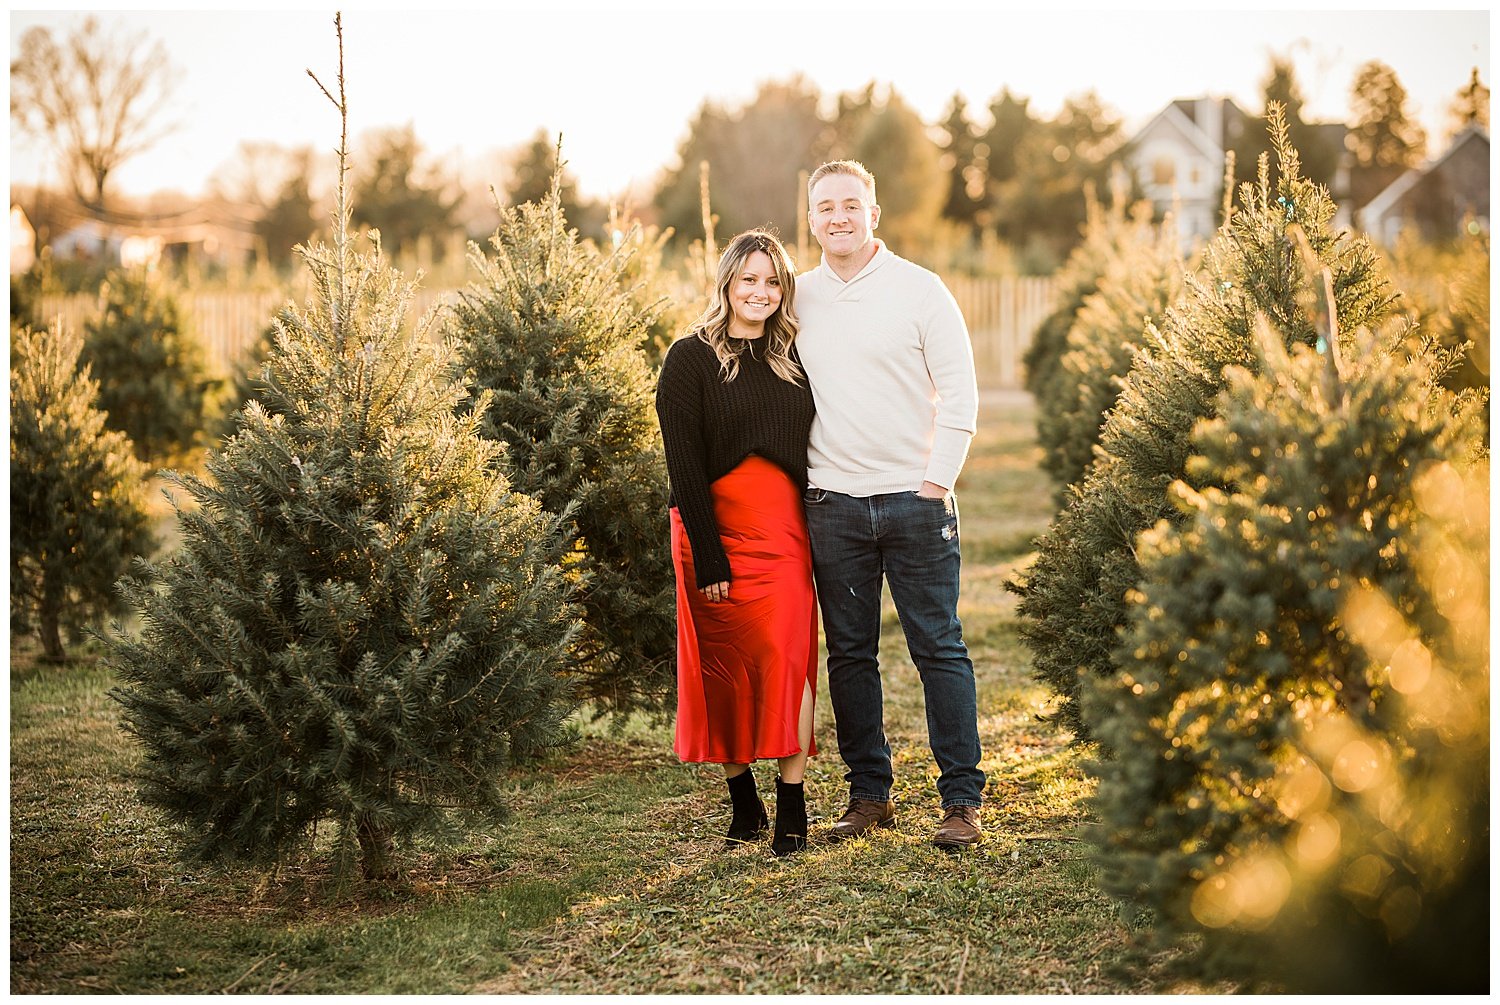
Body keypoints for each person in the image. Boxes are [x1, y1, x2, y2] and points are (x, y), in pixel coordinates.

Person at [794, 160, 986, 850]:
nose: (838, 217)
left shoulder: (921, 291)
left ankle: (961, 798)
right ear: (811, 218)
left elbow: (960, 393)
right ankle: (869, 793)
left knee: (939, 647)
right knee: (848, 654)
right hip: (833, 506)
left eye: (850, 204)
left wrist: (935, 481)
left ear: (873, 211)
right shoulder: (797, 297)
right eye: (824, 207)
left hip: (913, 502)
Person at [655, 229, 818, 856]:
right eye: (750, 279)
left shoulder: (793, 356)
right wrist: (710, 552)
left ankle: (793, 806)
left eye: (773, 281)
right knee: (720, 667)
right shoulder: (689, 358)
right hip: (709, 530)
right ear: (727, 283)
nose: (762, 292)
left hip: (782, 532)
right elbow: (683, 463)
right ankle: (744, 801)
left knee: (787, 656)